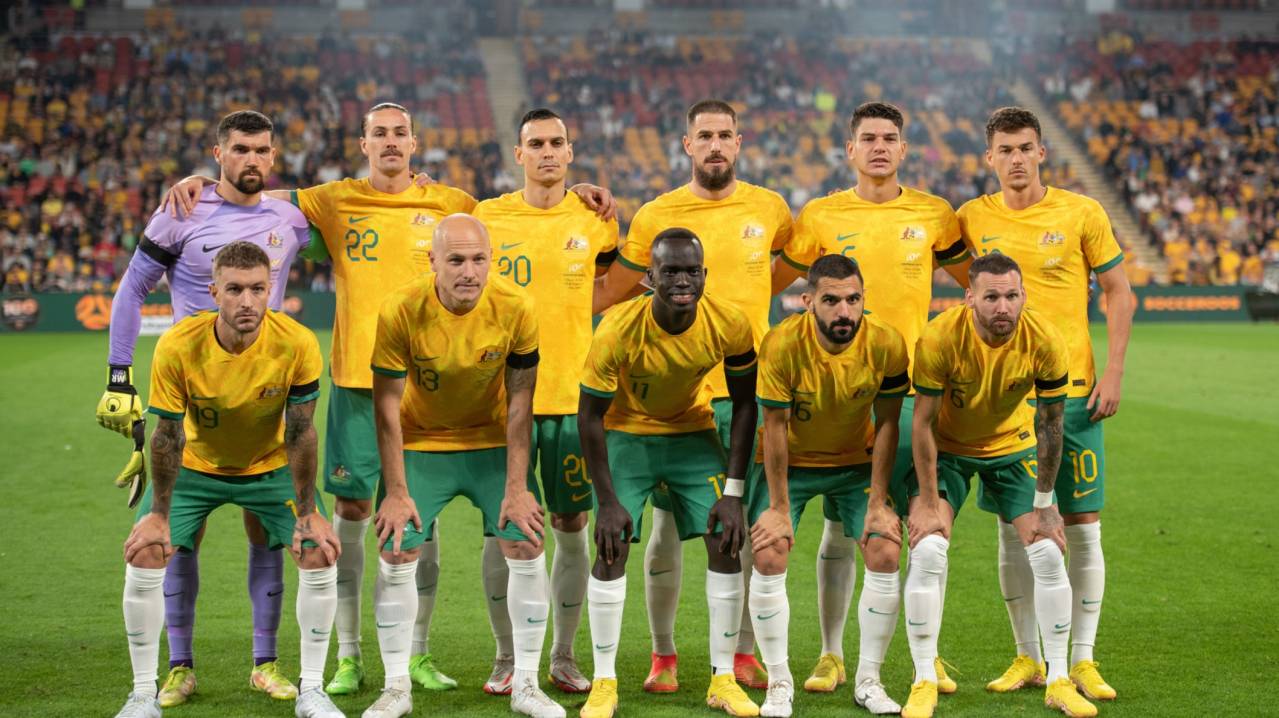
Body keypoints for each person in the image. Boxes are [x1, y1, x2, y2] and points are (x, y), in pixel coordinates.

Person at [162, 103, 615, 696]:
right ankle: (350, 656)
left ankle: (420, 654)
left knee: (421, 524)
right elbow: (259, 194)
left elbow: (525, 222)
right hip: (358, 384)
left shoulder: (453, 203)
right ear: (364, 143)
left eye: (400, 133)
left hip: (433, 398)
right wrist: (204, 182)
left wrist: (577, 190)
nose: (391, 142)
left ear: (415, 142)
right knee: (353, 517)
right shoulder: (332, 198)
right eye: (380, 134)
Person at [97, 110, 312, 707]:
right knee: (174, 537)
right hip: (187, 399)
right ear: (217, 152)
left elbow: (361, 219)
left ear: (273, 156)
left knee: (266, 534)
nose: (252, 159)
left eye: (262, 150)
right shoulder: (181, 211)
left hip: (264, 398)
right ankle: (179, 666)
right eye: (240, 149)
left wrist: (415, 189)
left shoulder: (290, 218)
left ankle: (264, 663)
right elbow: (131, 289)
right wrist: (119, 375)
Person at [770, 101, 972, 700]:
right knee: (844, 529)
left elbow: (979, 284)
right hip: (841, 394)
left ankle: (925, 658)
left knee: (923, 526)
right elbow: (769, 279)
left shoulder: (935, 215)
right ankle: (832, 655)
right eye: (868, 138)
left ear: (903, 149)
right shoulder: (821, 215)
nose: (879, 146)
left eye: (890, 138)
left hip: (914, 395)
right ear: (850, 149)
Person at [592, 99, 793, 692]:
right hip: (671, 399)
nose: (714, 145)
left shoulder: (770, 208)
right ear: (686, 144)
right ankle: (663, 654)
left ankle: (740, 655)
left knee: (744, 528)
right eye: (703, 135)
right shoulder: (658, 213)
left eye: (724, 135)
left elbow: (780, 273)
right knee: (661, 531)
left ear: (739, 142)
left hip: (744, 389)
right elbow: (617, 289)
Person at [112, 242, 343, 718]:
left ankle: (312, 690)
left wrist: (307, 513)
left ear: (271, 290)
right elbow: (168, 436)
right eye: (234, 289)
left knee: (319, 549)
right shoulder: (179, 344)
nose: (247, 301)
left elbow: (301, 430)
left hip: (270, 465)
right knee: (146, 549)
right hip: (197, 466)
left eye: (258, 289)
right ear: (214, 291)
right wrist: (158, 515)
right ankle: (141, 695)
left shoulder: (296, 341)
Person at [958, 106, 1133, 702]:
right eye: (1004, 150)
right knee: (1016, 529)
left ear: (1041, 153)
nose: (1015, 159)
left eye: (1025, 148)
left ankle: (1081, 658)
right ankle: (1028, 657)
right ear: (990, 158)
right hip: (1003, 401)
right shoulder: (971, 218)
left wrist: (1111, 370)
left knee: (1082, 525)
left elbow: (1118, 292)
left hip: (1075, 393)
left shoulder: (1081, 212)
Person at [365, 214, 564, 718]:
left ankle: (525, 685)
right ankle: (395, 688)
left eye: (479, 259)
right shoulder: (401, 309)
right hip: (421, 442)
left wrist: (517, 488)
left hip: (491, 440)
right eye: (456, 260)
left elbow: (522, 403)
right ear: (432, 261)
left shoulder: (517, 308)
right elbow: (386, 405)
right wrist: (394, 490)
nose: (469, 271)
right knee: (395, 547)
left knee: (525, 537)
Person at [578, 228, 761, 718]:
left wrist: (735, 491)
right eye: (671, 272)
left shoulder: (729, 323)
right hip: (626, 432)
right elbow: (589, 416)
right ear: (649, 277)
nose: (682, 281)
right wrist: (609, 501)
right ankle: (604, 682)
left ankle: (722, 678)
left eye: (691, 271)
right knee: (611, 543)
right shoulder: (617, 327)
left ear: (705, 275)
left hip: (690, 432)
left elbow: (745, 405)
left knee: (726, 535)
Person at [903, 252, 1095, 718]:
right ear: (970, 298)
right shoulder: (940, 337)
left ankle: (1057, 678)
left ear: (1023, 295)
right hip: (948, 448)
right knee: (928, 548)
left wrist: (1047, 503)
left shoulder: (1046, 339)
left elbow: (1051, 424)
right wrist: (928, 501)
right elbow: (923, 423)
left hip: (1012, 447)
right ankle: (924, 676)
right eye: (991, 296)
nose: (1003, 306)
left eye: (1011, 295)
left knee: (1048, 550)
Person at [472, 108, 619, 694]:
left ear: (571, 151)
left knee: (570, 522)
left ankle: (562, 653)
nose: (548, 152)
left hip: (570, 397)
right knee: (501, 527)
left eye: (557, 142)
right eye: (536, 143)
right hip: (500, 401)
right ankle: (507, 657)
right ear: (518, 154)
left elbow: (613, 285)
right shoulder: (488, 217)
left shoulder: (595, 220)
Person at [747, 254, 910, 717]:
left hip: (854, 462)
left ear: (864, 300)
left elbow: (888, 424)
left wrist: (878, 501)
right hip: (792, 463)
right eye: (832, 300)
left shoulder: (887, 344)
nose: (844, 312)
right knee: (769, 548)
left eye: (854, 300)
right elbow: (774, 428)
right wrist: (778, 506)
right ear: (808, 301)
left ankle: (868, 680)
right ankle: (779, 683)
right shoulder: (781, 345)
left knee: (885, 548)